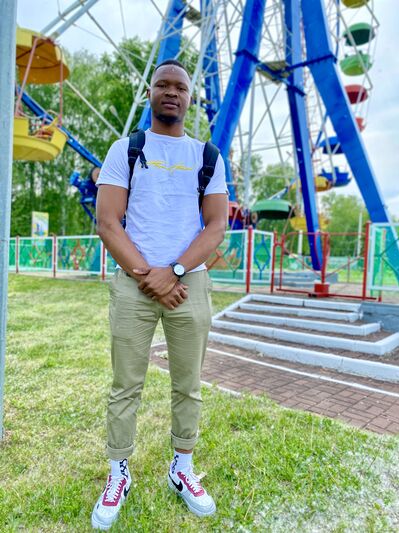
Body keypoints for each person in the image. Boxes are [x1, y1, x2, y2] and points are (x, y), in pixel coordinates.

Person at [91, 59, 228, 530]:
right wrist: (149, 276)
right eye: (163, 85)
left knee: (188, 384)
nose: (172, 92)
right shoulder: (125, 149)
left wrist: (175, 271)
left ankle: (182, 468)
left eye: (180, 87)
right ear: (150, 92)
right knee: (125, 385)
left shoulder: (207, 155)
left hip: (189, 284)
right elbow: (108, 222)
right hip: (135, 285)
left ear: (190, 97)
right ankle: (118, 472)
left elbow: (216, 225)